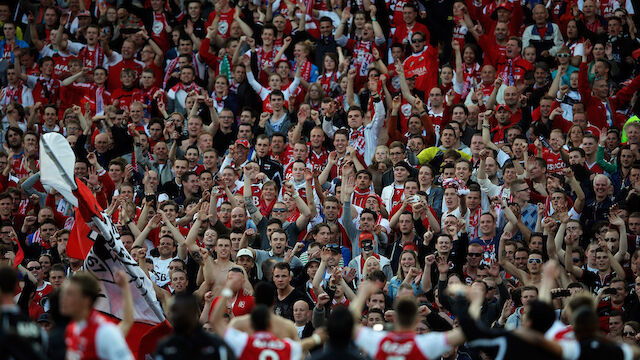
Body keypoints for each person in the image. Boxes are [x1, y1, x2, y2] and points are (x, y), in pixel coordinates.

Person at [60, 272, 134, 360]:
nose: (63, 298)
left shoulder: (105, 331)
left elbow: (127, 323)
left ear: (86, 300)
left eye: (70, 294)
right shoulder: (71, 327)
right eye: (63, 293)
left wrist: (125, 288)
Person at [155, 293, 234, 360]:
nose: (178, 315)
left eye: (184, 311)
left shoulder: (215, 344)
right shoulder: (165, 347)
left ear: (193, 312)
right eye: (174, 310)